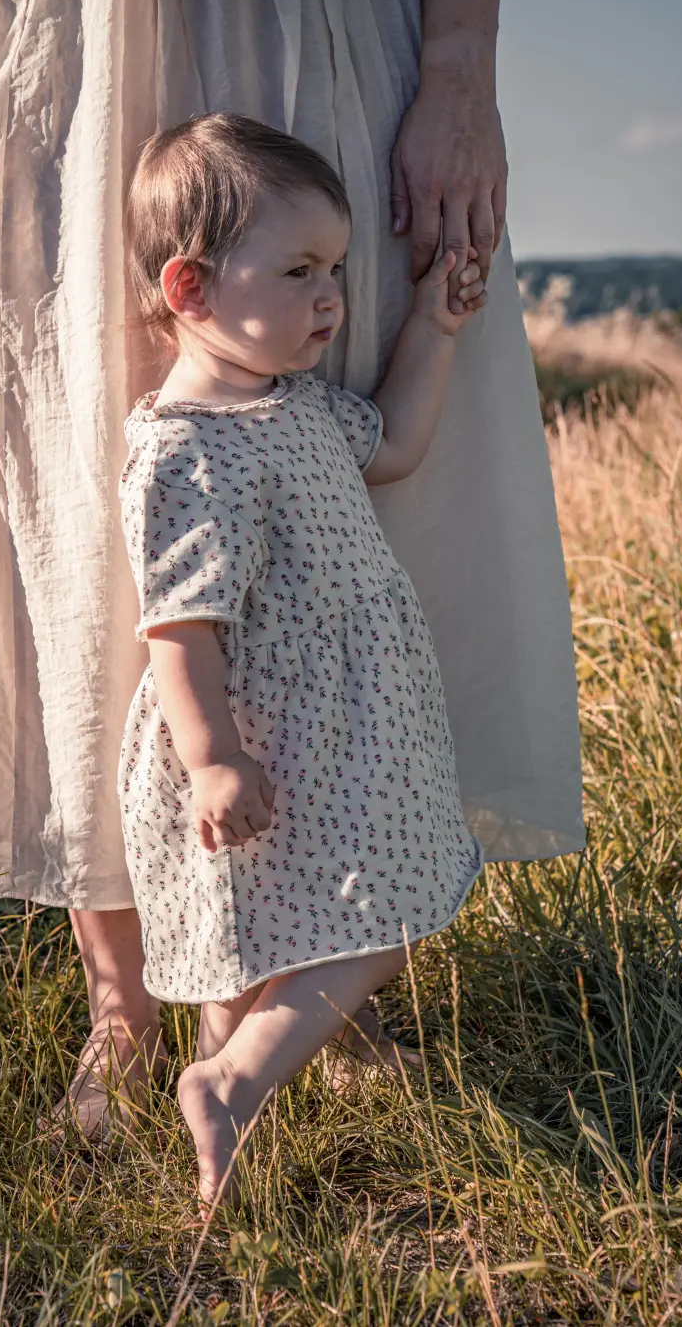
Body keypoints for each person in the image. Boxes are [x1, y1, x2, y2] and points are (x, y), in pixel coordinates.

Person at [0, 0, 585, 1138]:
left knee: (340, 529)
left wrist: (460, 70)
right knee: (88, 524)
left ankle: (310, 977)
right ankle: (122, 1005)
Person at [119, 113, 486, 1202]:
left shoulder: (295, 403)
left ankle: (247, 1102)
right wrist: (214, 757)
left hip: (345, 721)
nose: (330, 296)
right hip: (267, 730)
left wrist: (435, 321)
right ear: (190, 291)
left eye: (334, 267)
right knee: (390, 899)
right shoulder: (187, 444)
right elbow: (178, 623)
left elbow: (399, 443)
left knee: (271, 924)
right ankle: (232, 1081)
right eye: (296, 271)